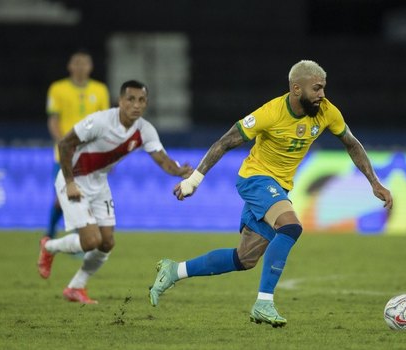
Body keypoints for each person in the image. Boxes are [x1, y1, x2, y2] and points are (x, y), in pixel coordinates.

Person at [148, 60, 393, 327]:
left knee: (244, 258)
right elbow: (226, 141)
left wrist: (374, 182)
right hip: (255, 179)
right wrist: (193, 180)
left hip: (279, 186)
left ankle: (175, 270)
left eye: (323, 88)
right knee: (290, 227)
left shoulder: (327, 111)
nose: (322, 94)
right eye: (317, 88)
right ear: (297, 89)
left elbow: (352, 143)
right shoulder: (271, 112)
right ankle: (264, 303)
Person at [37, 80, 193, 304]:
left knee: (107, 242)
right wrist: (70, 182)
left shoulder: (144, 130)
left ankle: (75, 287)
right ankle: (49, 246)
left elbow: (162, 158)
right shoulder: (100, 121)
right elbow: (64, 144)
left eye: (141, 100)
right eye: (131, 99)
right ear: (120, 101)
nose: (136, 105)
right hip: (73, 178)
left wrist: (179, 171)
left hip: (99, 182)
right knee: (91, 241)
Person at [44, 49, 110, 240]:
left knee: (85, 198)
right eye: (77, 63)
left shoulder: (100, 90)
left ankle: (78, 239)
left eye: (84, 63)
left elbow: (104, 123)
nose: (80, 67)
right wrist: (62, 143)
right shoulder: (57, 88)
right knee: (61, 199)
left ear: (90, 67)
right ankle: (49, 233)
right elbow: (53, 119)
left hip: (90, 155)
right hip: (65, 155)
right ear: (70, 66)